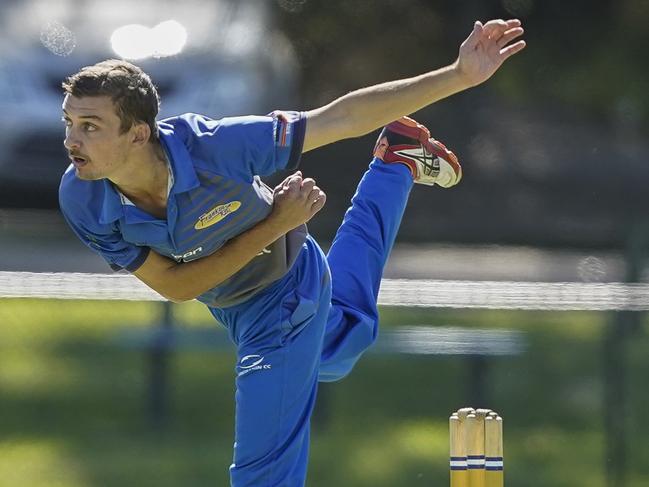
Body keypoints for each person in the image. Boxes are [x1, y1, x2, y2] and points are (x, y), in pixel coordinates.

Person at [58, 19, 525, 487]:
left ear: (138, 135)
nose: (71, 141)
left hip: (284, 292)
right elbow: (179, 286)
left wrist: (458, 75)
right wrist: (272, 225)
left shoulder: (218, 147)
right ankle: (396, 162)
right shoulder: (82, 198)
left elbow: (338, 119)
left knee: (264, 472)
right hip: (236, 304)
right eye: (70, 123)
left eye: (90, 126)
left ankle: (393, 164)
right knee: (342, 345)